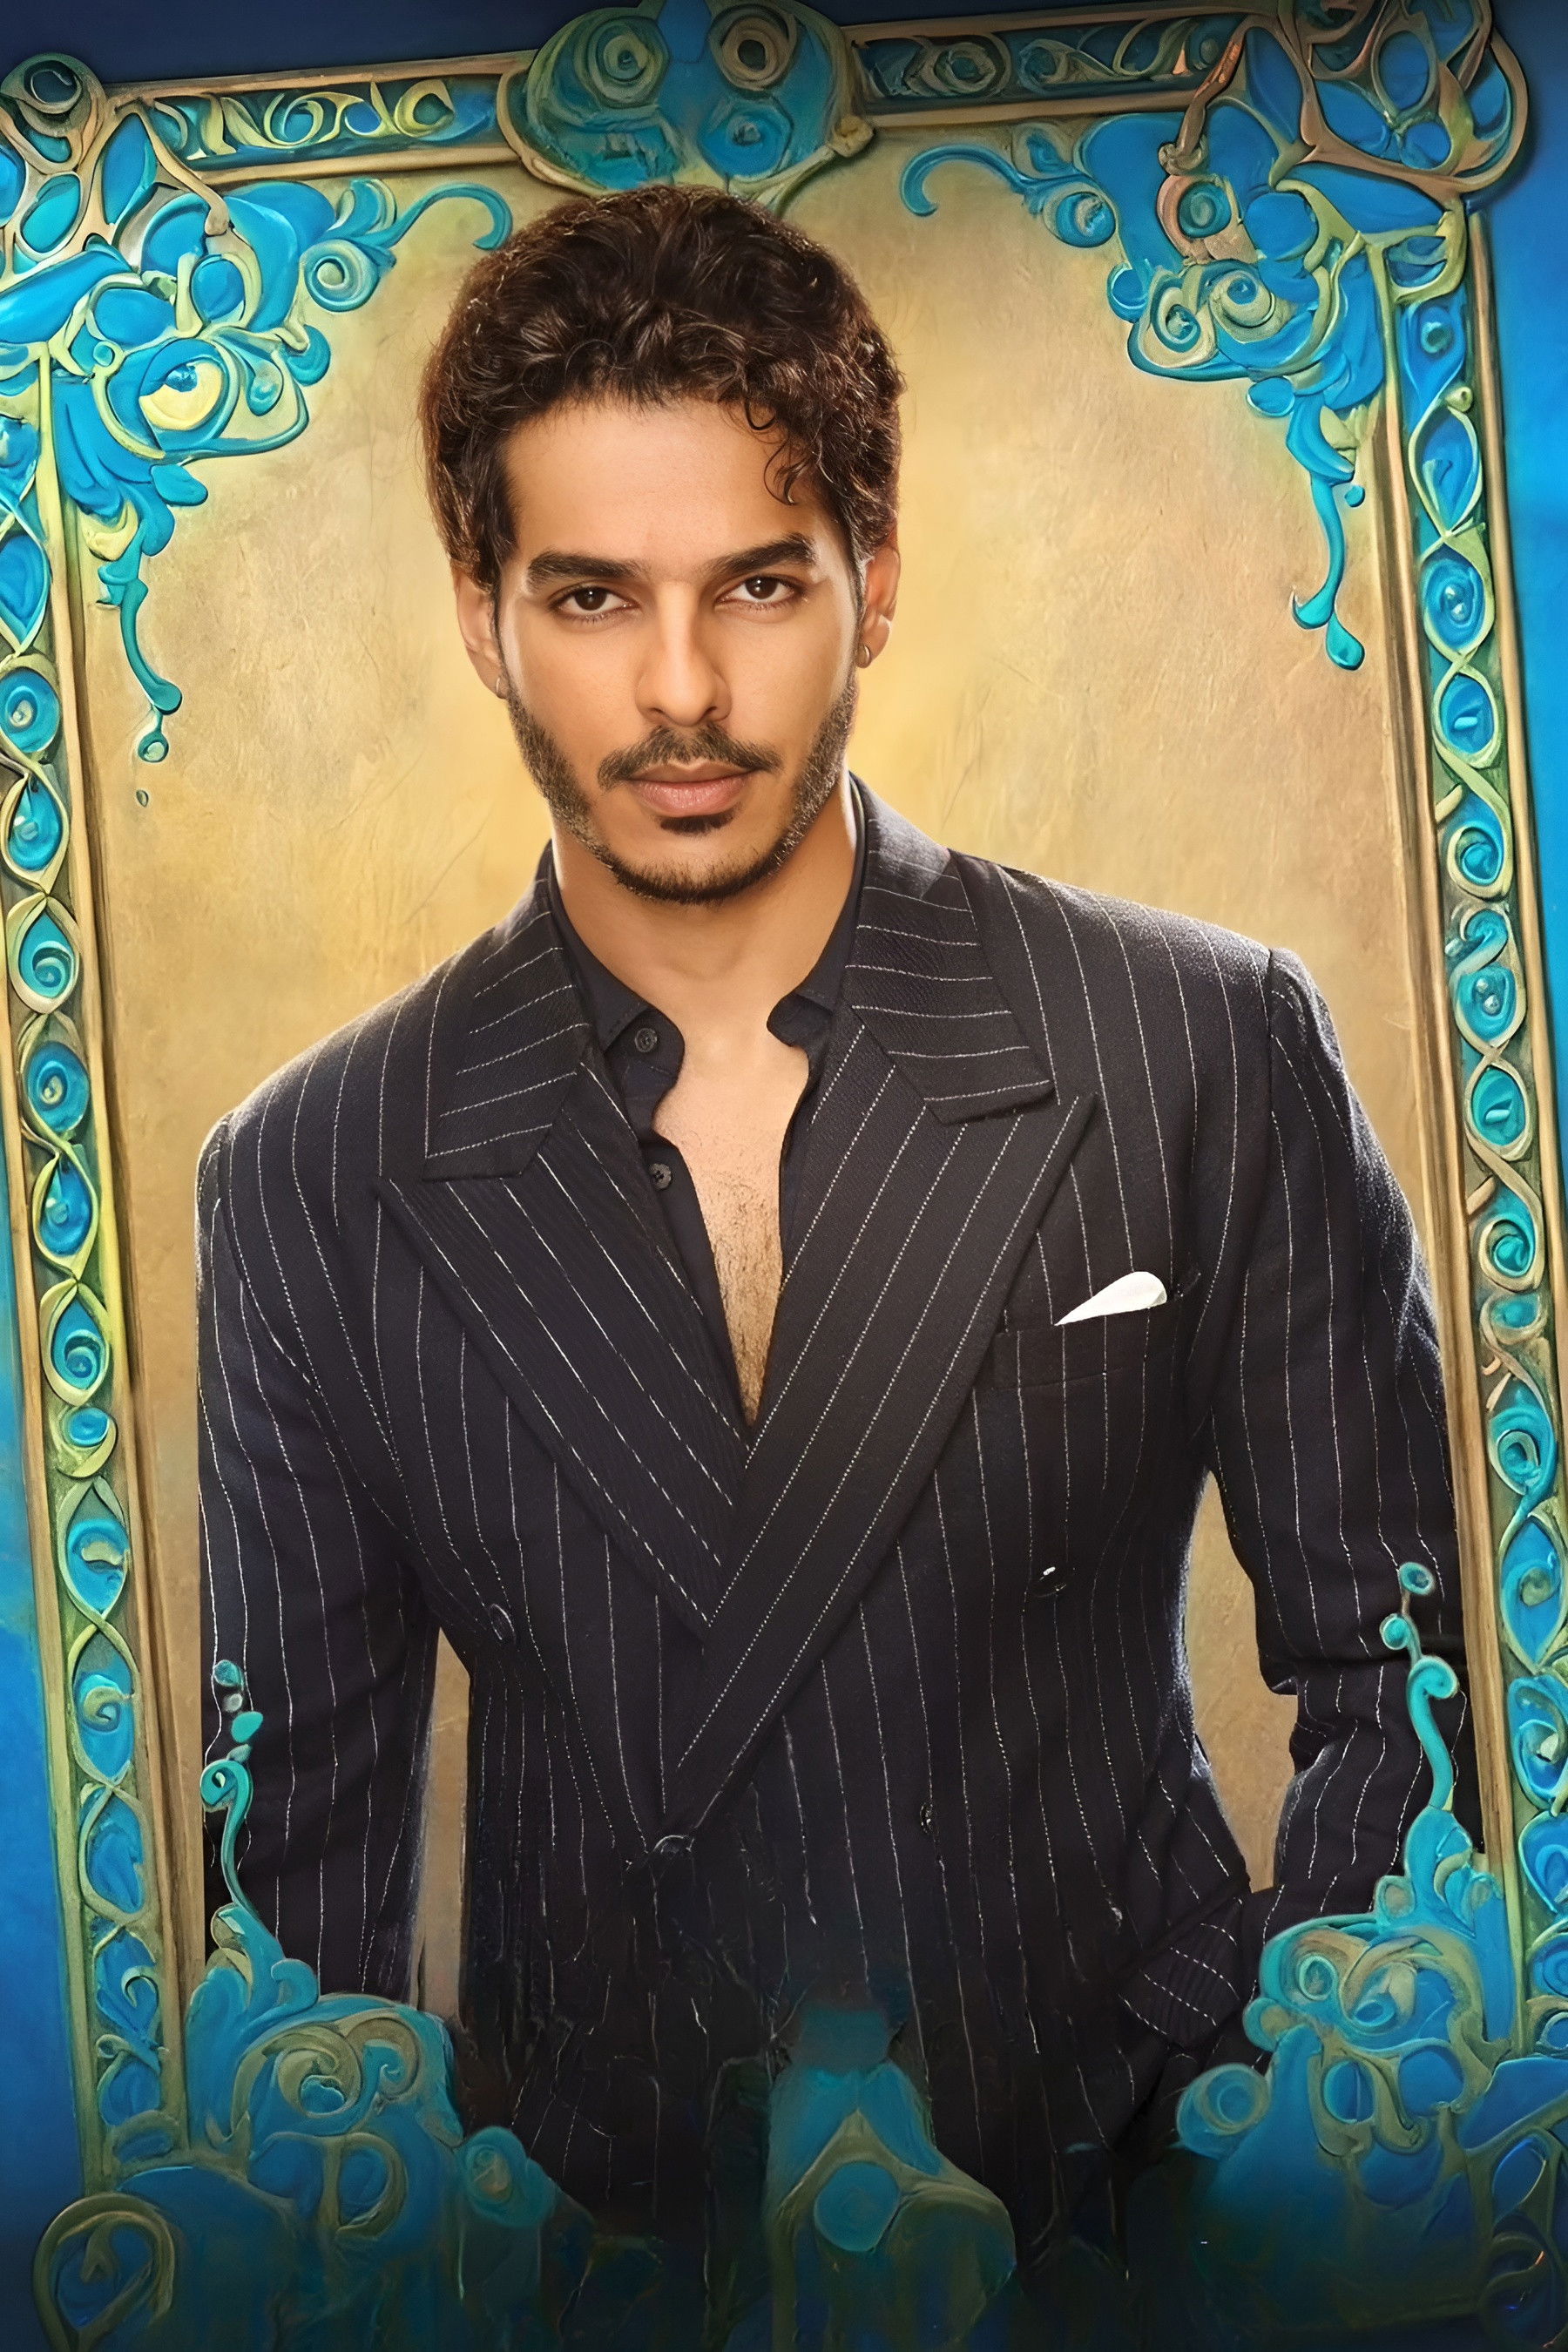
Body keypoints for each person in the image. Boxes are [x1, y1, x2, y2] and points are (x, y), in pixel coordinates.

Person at [199, 184, 1470, 2300]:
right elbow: (292, 1923)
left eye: (758, 586)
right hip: (608, 2259)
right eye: (592, 596)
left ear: (875, 581)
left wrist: (1268, 2158)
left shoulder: (1193, 1042)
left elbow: (1415, 1685)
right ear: (482, 612)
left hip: (1136, 2214)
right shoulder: (314, 1175)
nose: (681, 692)